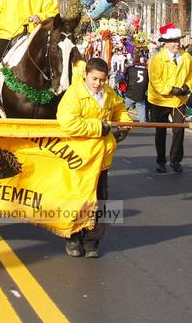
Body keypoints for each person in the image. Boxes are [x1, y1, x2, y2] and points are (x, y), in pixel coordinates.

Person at [57, 57, 131, 258]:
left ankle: (92, 241)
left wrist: (124, 124)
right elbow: (67, 123)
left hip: (102, 157)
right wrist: (98, 127)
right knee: (78, 199)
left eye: (102, 80)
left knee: (100, 199)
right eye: (94, 79)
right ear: (85, 76)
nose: (98, 84)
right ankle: (73, 237)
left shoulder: (108, 93)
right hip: (79, 158)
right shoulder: (73, 95)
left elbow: (120, 110)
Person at [146, 24, 192, 173]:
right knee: (160, 131)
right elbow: (155, 81)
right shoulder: (157, 59)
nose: (176, 43)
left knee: (179, 130)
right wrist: (170, 89)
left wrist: (188, 86)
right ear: (166, 43)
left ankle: (175, 160)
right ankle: (161, 161)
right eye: (173, 41)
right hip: (160, 100)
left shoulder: (186, 57)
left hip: (179, 100)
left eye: (178, 40)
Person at [122, 56, 149, 122]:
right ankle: (143, 122)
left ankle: (118, 119)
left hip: (131, 93)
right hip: (141, 94)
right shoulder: (146, 70)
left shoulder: (130, 68)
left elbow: (124, 77)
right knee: (141, 108)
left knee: (121, 109)